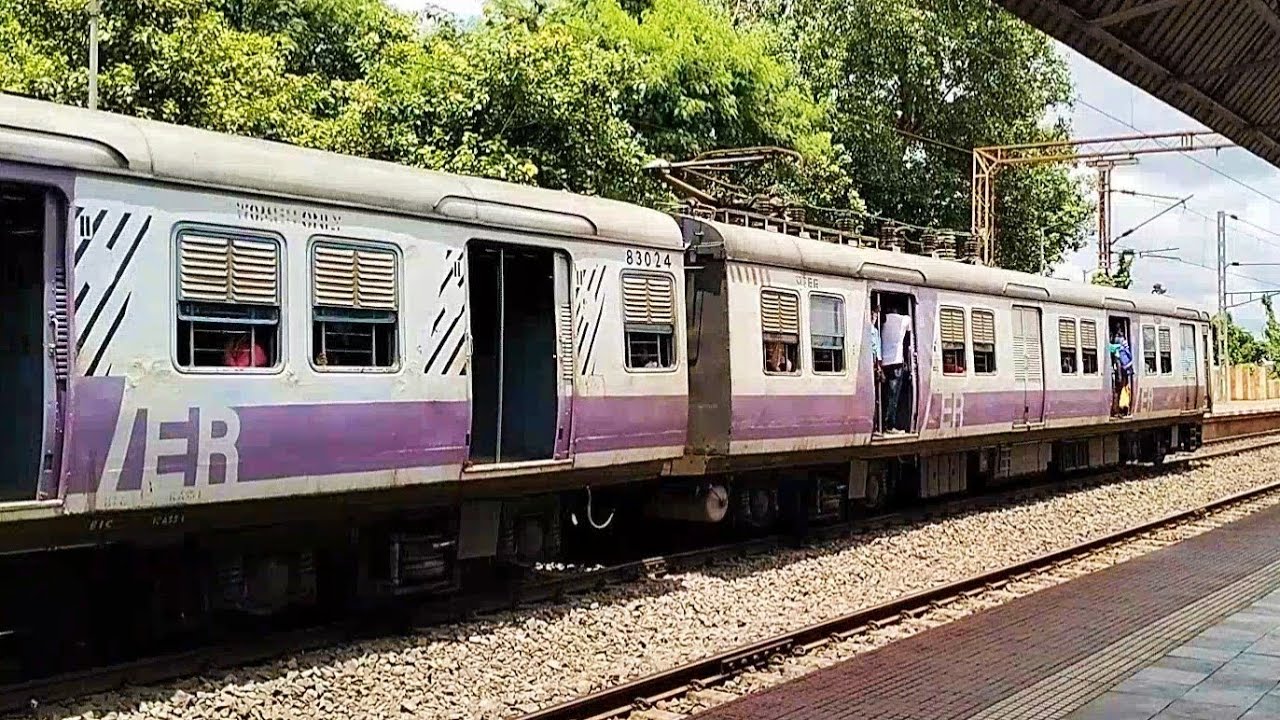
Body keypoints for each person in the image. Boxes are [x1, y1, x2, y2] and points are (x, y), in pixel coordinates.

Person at [880, 303, 911, 433]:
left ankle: (882, 423)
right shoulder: (905, 319)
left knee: (884, 395)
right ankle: (890, 425)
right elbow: (910, 336)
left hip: (883, 363)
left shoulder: (883, 320)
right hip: (896, 362)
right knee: (894, 396)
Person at [1109, 330, 1134, 416]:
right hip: (1125, 371)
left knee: (1120, 389)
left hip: (1122, 372)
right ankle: (1122, 409)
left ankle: (1119, 409)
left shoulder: (1118, 348)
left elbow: (1108, 347)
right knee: (1123, 389)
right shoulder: (1123, 347)